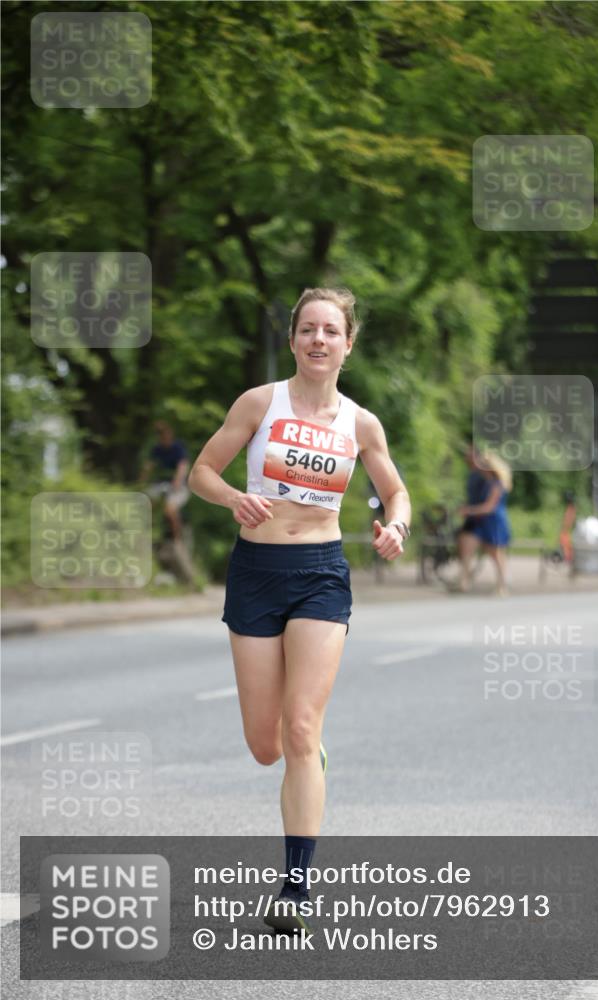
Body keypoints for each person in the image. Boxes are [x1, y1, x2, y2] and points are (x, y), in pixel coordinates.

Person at [187, 286, 411, 935]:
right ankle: (304, 754)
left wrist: (394, 526)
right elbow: (203, 470)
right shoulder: (260, 403)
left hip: (319, 574)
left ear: (348, 342)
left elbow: (393, 491)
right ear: (293, 340)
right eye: (307, 329)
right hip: (255, 572)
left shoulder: (360, 422)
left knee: (300, 729)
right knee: (265, 745)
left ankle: (293, 886)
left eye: (330, 331)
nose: (318, 340)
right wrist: (233, 498)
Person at [457, 450, 512, 595]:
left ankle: (502, 585)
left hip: (493, 522)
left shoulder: (497, 484)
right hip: (479, 521)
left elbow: (489, 507)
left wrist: (468, 511)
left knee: (495, 554)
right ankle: (463, 580)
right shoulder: (484, 481)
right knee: (467, 547)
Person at [140, 421, 191, 541]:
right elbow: (149, 466)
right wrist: (142, 480)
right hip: (161, 484)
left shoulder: (178, 448)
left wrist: (178, 481)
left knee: (170, 510)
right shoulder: (157, 449)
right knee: (147, 504)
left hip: (178, 486)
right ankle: (147, 533)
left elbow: (182, 466)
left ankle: (177, 539)